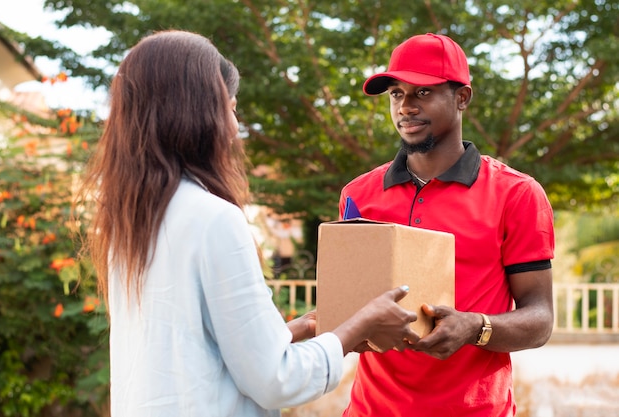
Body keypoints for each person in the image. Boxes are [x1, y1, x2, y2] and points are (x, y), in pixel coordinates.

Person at [77, 29, 421, 417]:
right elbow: (276, 379)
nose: (234, 125)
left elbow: (199, 350)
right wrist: (364, 321)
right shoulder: (214, 219)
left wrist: (302, 328)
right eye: (231, 107)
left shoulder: (135, 220)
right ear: (200, 114)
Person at [339, 33, 555, 416]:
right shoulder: (358, 194)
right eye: (396, 94)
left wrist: (475, 327)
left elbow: (540, 319)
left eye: (422, 93)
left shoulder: (517, 194)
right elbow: (352, 305)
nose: (405, 107)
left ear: (462, 98)